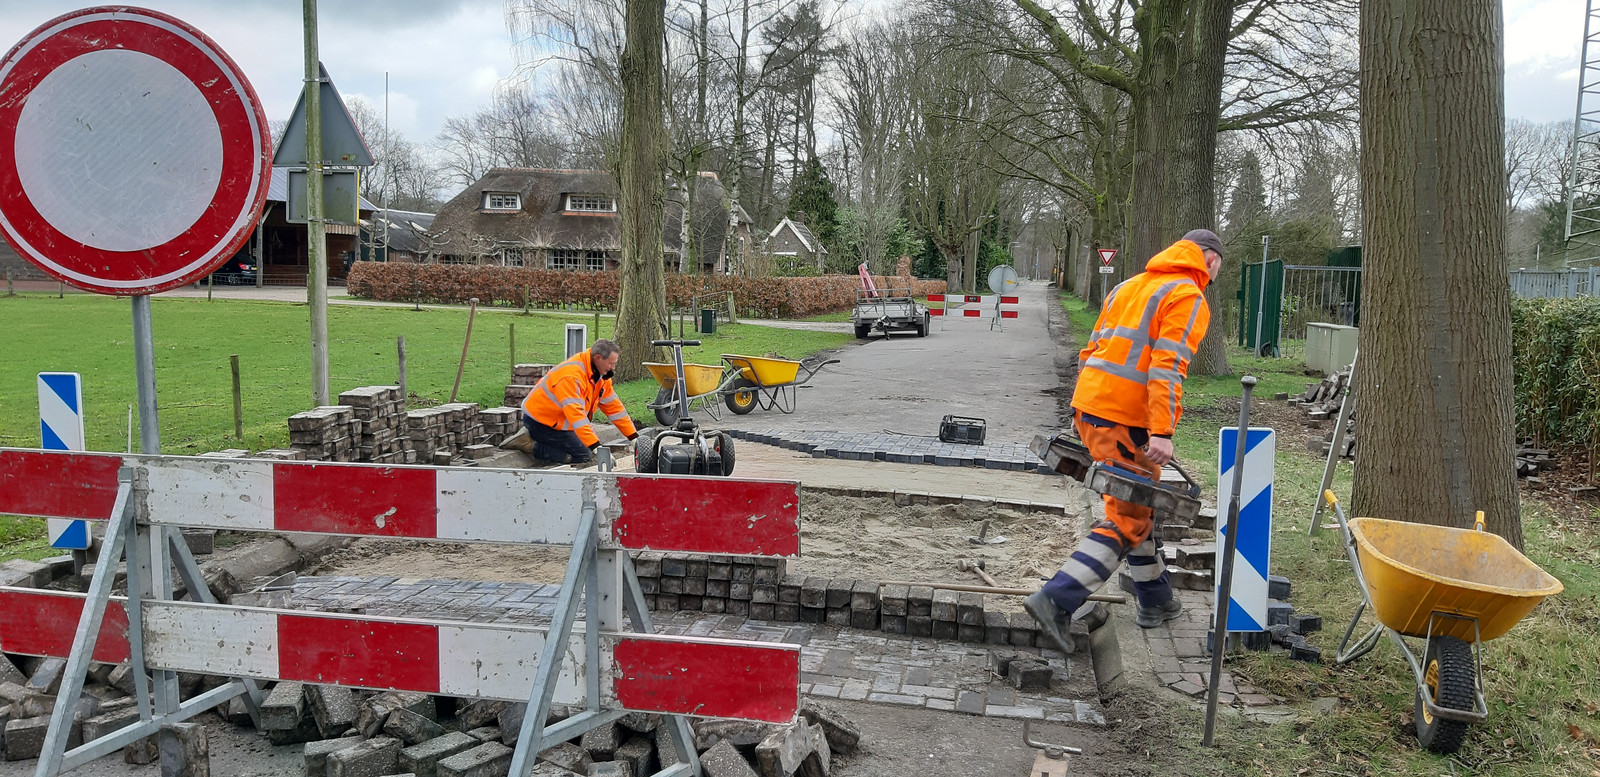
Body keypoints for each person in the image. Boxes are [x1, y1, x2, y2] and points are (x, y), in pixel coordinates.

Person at [1025, 229, 1224, 653]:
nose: (1215, 276)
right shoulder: (1187, 295)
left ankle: (1155, 600)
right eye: (1218, 267)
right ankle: (1055, 600)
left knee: (1137, 504)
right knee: (1127, 518)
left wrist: (1085, 408)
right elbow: (1168, 368)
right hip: (1126, 421)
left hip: (1093, 409)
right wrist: (1163, 432)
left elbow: (1090, 351)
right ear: (1208, 260)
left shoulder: (1128, 286)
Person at [521, 339, 639, 464]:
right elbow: (576, 416)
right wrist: (596, 447)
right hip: (541, 422)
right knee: (583, 455)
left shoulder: (600, 375)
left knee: (584, 447)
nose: (613, 367)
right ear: (598, 358)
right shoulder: (571, 377)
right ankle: (528, 444)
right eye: (611, 363)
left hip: (559, 421)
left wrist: (633, 437)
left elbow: (614, 408)